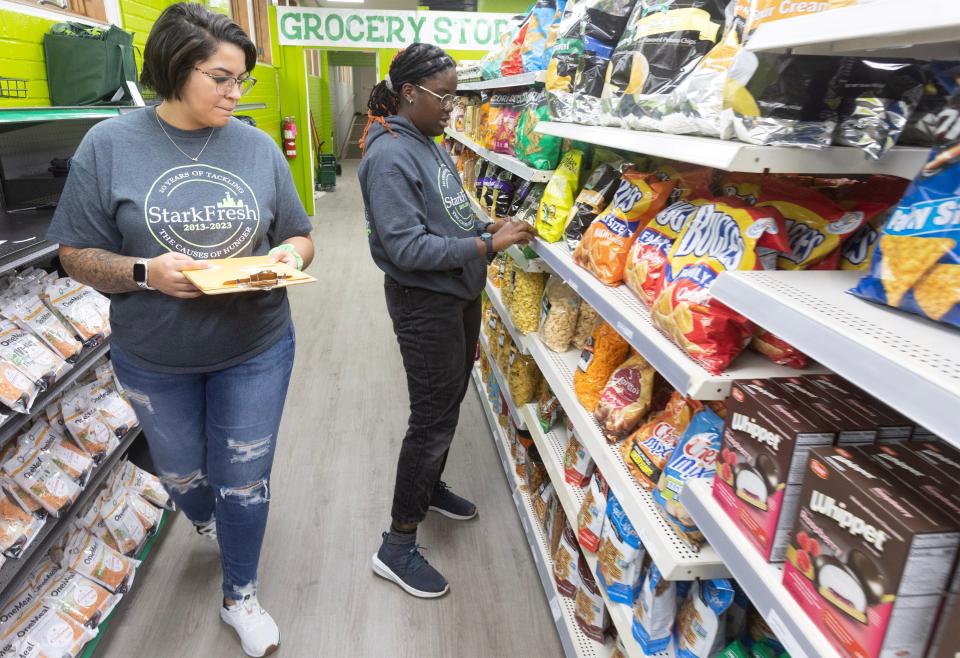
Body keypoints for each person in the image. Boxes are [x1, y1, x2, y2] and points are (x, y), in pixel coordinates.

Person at [46, 4, 313, 656]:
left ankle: (240, 595)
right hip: (154, 354)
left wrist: (289, 259)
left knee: (244, 476)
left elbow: (300, 233)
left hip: (255, 344)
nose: (234, 93)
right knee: (186, 476)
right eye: (220, 77)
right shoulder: (108, 146)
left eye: (242, 80)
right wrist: (144, 271)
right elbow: (73, 255)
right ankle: (204, 515)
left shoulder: (252, 145)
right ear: (174, 67)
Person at [358, 43, 536, 599]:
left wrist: (486, 223)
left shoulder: (426, 141)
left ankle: (428, 486)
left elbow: (446, 213)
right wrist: (486, 243)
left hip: (456, 295)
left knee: (450, 400)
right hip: (424, 302)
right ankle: (397, 544)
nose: (453, 110)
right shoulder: (388, 155)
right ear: (410, 93)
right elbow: (407, 248)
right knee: (431, 418)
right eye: (445, 97)